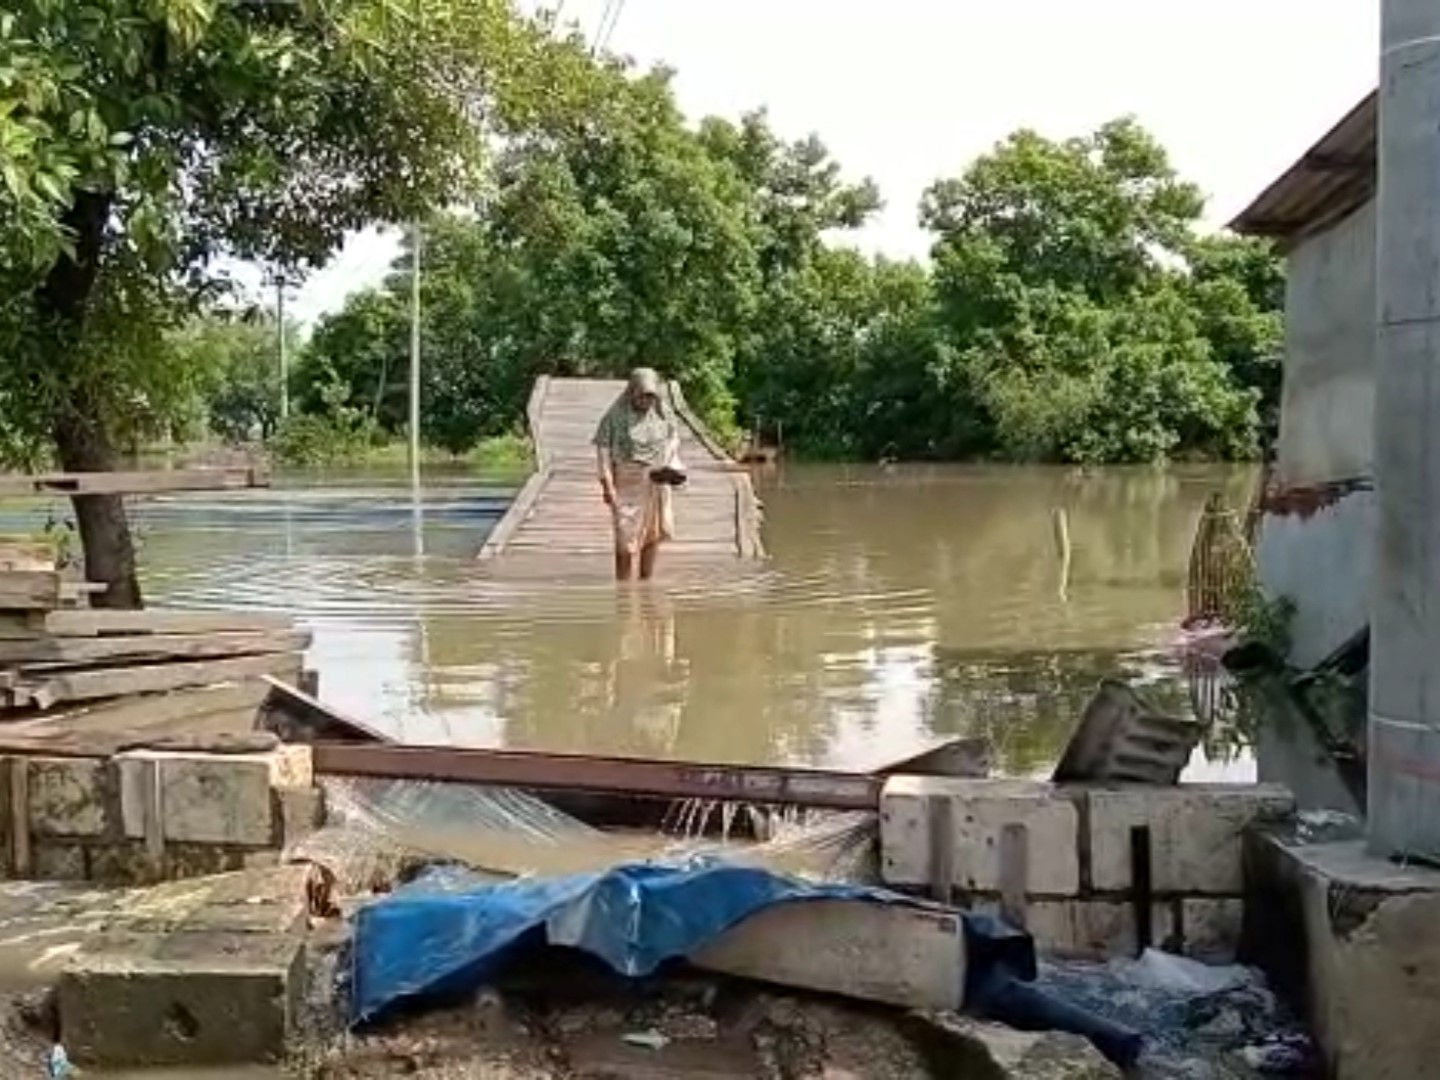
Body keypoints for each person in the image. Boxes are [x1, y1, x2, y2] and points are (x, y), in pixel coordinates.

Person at [593, 368, 684, 581]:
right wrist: (607, 485)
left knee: (652, 535)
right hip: (627, 482)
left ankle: (645, 586)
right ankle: (623, 589)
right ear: (632, 392)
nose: (647, 400)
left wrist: (671, 462)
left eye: (651, 396)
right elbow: (603, 453)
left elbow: (673, 439)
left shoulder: (662, 412)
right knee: (625, 542)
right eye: (642, 395)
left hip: (656, 480)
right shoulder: (613, 418)